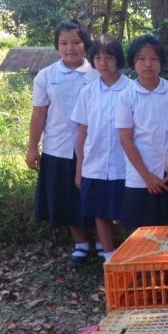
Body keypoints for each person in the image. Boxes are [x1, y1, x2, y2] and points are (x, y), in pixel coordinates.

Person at [26, 20, 98, 268]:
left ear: (85, 44)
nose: (70, 48)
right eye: (64, 43)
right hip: (57, 148)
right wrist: (32, 148)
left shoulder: (97, 74)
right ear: (57, 46)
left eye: (76, 42)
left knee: (95, 194)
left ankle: (103, 243)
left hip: (94, 147)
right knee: (65, 197)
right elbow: (39, 114)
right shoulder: (46, 76)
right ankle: (81, 245)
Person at [72, 35, 129, 267]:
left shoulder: (131, 89)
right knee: (100, 211)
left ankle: (134, 256)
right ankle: (109, 257)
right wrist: (79, 167)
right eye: (97, 58)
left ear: (119, 59)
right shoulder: (87, 92)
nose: (103, 63)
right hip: (94, 165)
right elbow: (82, 132)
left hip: (125, 165)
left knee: (128, 212)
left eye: (109, 58)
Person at [116, 34, 168, 229]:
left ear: (161, 61)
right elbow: (126, 140)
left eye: (153, 58)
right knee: (142, 234)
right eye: (141, 59)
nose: (148, 64)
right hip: (140, 178)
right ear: (133, 62)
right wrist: (147, 176)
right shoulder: (126, 96)